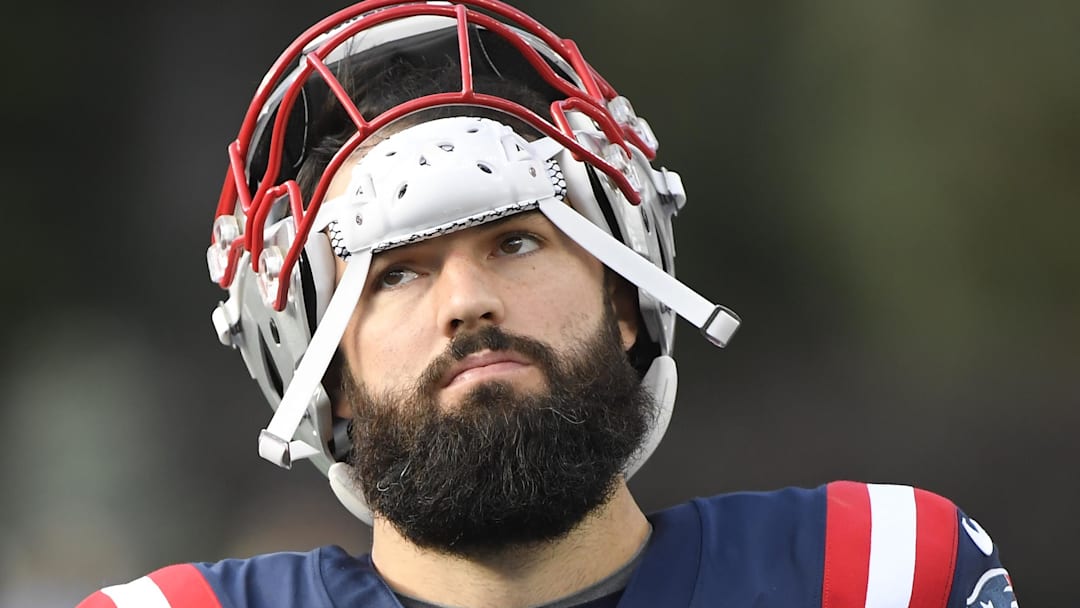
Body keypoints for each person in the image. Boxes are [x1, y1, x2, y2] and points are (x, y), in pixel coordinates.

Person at [79, 1, 1018, 607]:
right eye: (396, 272)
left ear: (626, 293)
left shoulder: (874, 574)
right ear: (325, 372)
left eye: (516, 242)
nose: (467, 303)